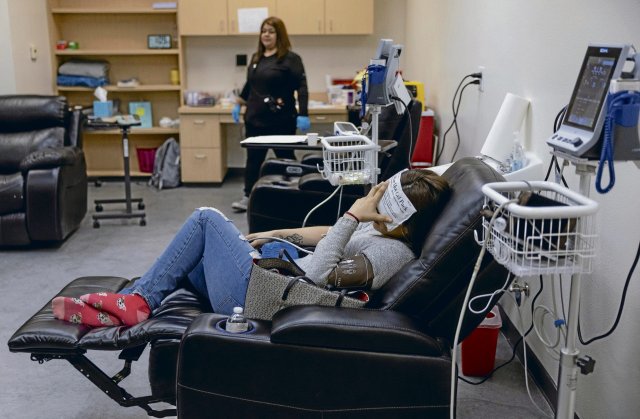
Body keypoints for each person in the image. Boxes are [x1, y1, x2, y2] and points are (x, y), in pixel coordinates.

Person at [51, 170, 450, 327]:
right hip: (270, 279)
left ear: (397, 215)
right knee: (197, 254)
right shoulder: (384, 234)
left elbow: (315, 277)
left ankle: (136, 302)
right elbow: (328, 235)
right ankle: (135, 301)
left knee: (206, 218)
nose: (373, 197)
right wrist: (277, 233)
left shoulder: (392, 254)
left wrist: (352, 216)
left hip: (262, 298)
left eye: (382, 197)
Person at [231, 16, 310, 212]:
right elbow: (250, 85)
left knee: (285, 158)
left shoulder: (291, 59)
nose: (266, 34)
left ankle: (295, 192)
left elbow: (302, 88)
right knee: (253, 160)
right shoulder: (256, 58)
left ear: (279, 35)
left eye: (271, 31)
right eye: (263, 30)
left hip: (281, 120)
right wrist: (238, 103)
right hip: (255, 119)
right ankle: (248, 196)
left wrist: (304, 113)